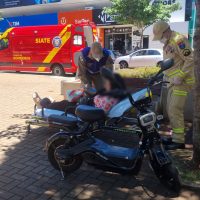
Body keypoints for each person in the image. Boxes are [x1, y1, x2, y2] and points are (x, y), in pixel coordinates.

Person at [153, 20, 195, 149]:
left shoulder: (179, 40)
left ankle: (179, 141)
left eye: (161, 35)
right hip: (172, 82)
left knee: (175, 109)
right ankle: (175, 138)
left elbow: (190, 58)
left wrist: (180, 76)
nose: (160, 38)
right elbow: (174, 60)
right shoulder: (168, 41)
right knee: (171, 110)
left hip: (182, 82)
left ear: (166, 31)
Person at [33, 68, 126, 113]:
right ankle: (48, 103)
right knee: (65, 102)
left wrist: (87, 98)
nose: (105, 83)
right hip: (86, 105)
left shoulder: (111, 98)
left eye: (107, 82)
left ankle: (43, 105)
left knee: (65, 104)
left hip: (86, 110)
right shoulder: (112, 95)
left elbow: (100, 110)